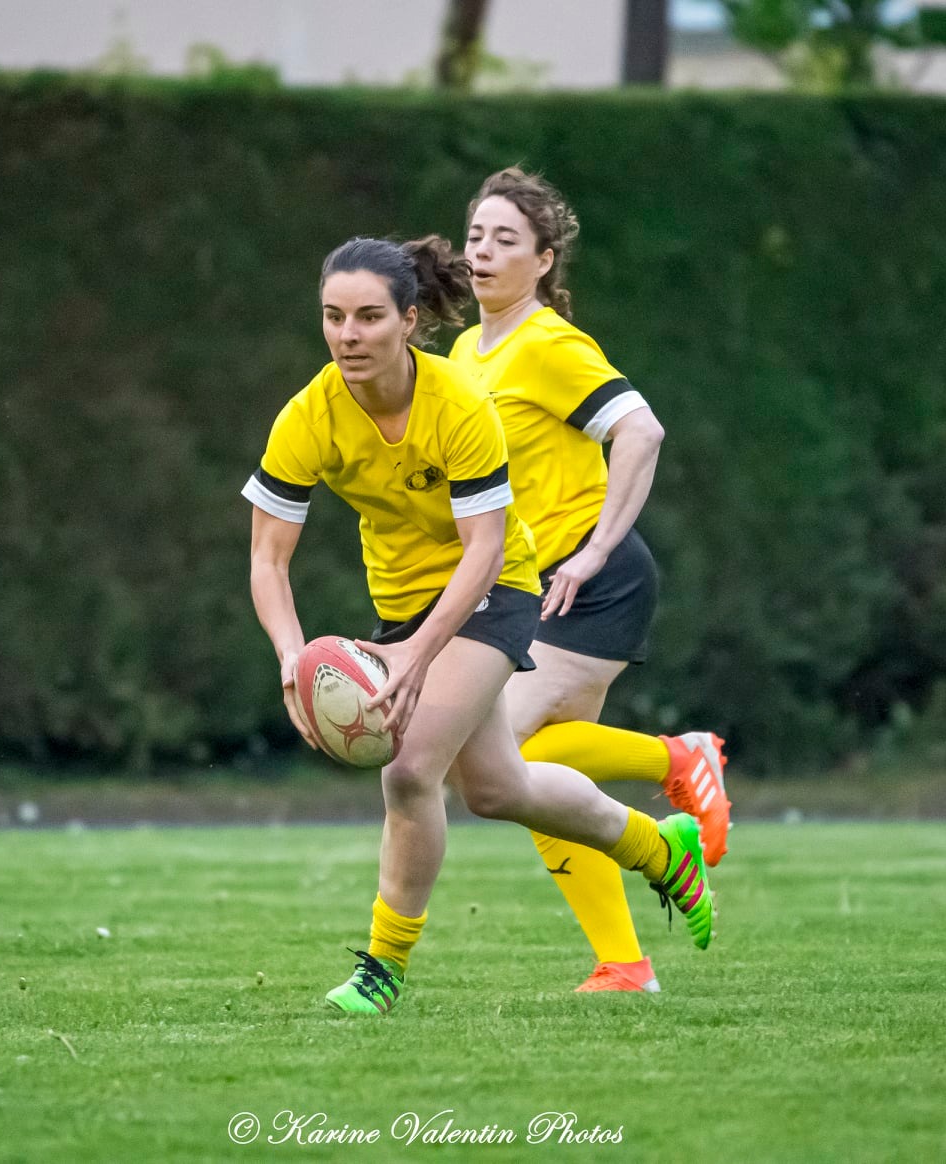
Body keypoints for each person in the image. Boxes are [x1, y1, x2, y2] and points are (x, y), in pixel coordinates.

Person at [243, 235, 713, 1015]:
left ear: (410, 319)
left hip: (494, 589)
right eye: (332, 317)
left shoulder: (459, 402)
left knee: (408, 768)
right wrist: (292, 658)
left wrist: (414, 660)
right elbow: (267, 559)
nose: (347, 335)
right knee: (498, 788)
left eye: (366, 317)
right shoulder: (309, 415)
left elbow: (484, 549)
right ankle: (655, 846)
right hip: (402, 603)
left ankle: (382, 969)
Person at [449, 167, 731, 994]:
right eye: (474, 237)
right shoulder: (468, 349)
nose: (483, 252)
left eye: (505, 240)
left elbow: (641, 432)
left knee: (495, 761)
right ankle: (624, 964)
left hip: (590, 584)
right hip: (529, 588)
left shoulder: (548, 344)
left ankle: (678, 756)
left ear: (542, 261)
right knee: (540, 786)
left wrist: (595, 549)